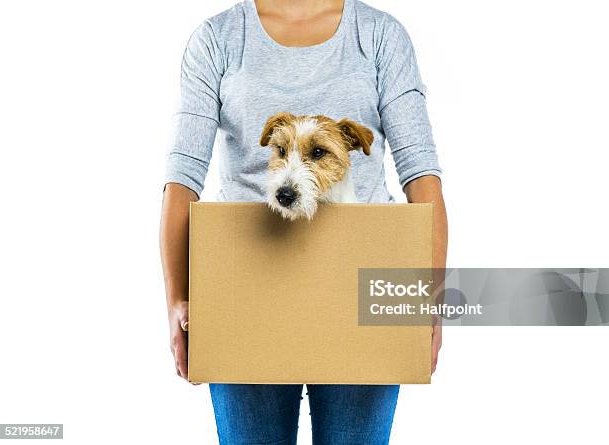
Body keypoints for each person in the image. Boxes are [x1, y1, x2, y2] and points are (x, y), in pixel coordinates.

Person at [159, 0, 448, 443]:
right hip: (245, 287)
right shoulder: (219, 38)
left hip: (363, 289)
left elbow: (421, 175)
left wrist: (428, 299)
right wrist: (177, 301)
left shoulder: (379, 35)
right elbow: (181, 178)